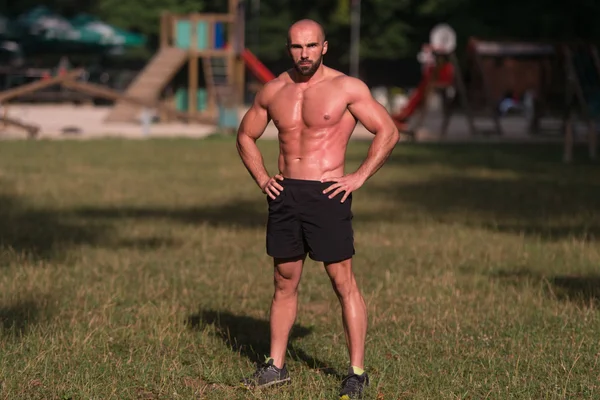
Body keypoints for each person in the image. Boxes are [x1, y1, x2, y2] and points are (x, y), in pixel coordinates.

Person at [235, 18, 399, 400]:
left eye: (311, 46)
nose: (303, 54)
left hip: (328, 194)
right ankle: (275, 366)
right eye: (296, 47)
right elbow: (245, 134)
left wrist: (358, 176)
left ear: (324, 47)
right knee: (283, 281)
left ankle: (356, 373)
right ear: (288, 48)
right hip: (285, 194)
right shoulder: (274, 89)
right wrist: (262, 179)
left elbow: (388, 131)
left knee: (343, 283)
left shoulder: (346, 87)